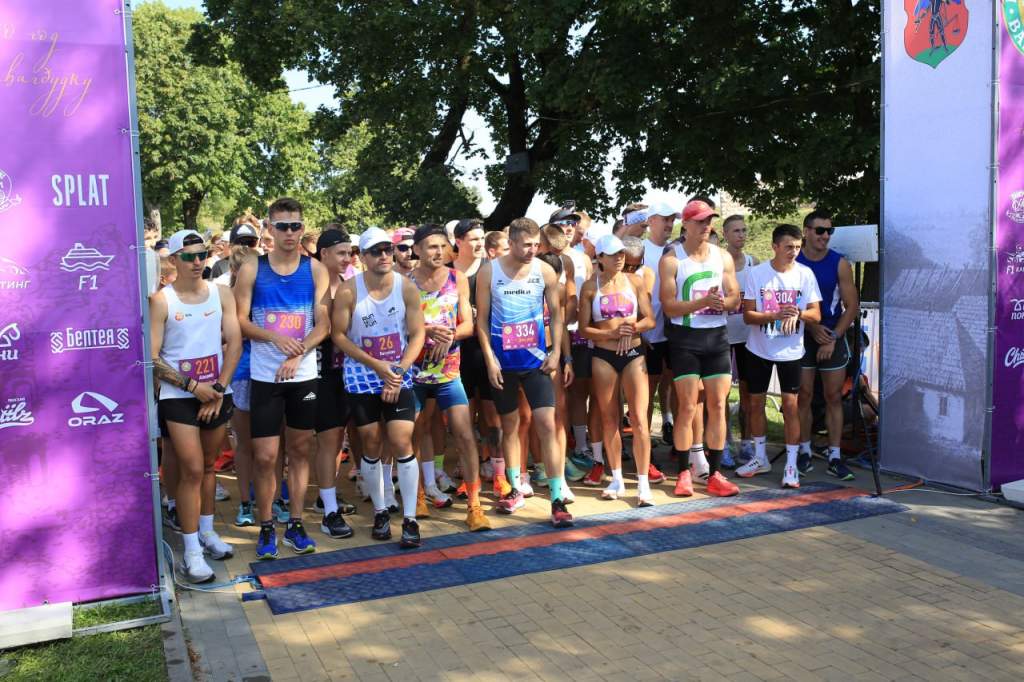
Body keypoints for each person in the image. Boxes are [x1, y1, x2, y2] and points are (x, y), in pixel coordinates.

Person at [233, 197, 331, 559]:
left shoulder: (316, 269)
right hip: (264, 375)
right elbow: (240, 321)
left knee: (302, 449)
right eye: (282, 226)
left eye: (296, 226)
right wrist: (275, 338)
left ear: (302, 228)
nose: (290, 233)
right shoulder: (252, 269)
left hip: (303, 373)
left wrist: (300, 351)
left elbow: (324, 324)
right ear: (269, 230)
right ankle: (266, 526)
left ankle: (295, 523)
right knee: (265, 454)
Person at [150, 230, 242, 582]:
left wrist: (216, 388)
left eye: (201, 254)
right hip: (179, 397)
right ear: (173, 260)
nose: (197, 261)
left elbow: (234, 343)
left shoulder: (222, 294)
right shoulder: (162, 300)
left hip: (217, 392)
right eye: (188, 256)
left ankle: (207, 532)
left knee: (207, 467)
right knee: (189, 470)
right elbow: (153, 358)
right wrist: (192, 386)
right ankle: (190, 550)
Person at [332, 227, 426, 548]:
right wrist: (377, 367)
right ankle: (381, 512)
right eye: (376, 251)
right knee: (370, 442)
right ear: (362, 257)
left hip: (398, 371)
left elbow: (417, 335)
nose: (385, 255)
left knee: (401, 440)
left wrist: (396, 372)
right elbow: (339, 336)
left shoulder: (406, 288)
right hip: (362, 373)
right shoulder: (348, 291)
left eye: (389, 249)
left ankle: (411, 519)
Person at [476, 218, 573, 527]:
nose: (533, 250)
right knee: (510, 425)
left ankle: (557, 497)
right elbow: (481, 321)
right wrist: (490, 360)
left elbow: (557, 315)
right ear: (512, 242)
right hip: (503, 363)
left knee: (546, 423)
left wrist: (557, 352)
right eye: (526, 245)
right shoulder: (489, 272)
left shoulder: (544, 271)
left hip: (537, 362)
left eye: (536, 245)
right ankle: (515, 488)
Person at [409, 224, 491, 531]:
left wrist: (451, 335)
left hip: (448, 371)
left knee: (465, 434)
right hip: (415, 372)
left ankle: (474, 505)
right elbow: (399, 328)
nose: (438, 252)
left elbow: (469, 324)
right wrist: (425, 332)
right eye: (431, 247)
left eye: (443, 246)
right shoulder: (405, 283)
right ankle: (416, 496)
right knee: (414, 435)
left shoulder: (458, 279)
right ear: (416, 249)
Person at [659, 200, 742, 498]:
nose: (706, 227)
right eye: (700, 222)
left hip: (717, 338)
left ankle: (716, 473)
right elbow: (669, 307)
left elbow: (735, 298)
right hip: (685, 339)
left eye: (709, 221)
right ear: (687, 224)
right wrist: (701, 303)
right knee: (688, 406)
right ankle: (684, 472)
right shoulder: (672, 259)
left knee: (718, 405)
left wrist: (724, 303)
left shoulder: (722, 257)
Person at [736, 224, 822, 488]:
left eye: (797, 247)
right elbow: (748, 315)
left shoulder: (805, 274)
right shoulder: (757, 274)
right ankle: (760, 457)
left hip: (791, 352)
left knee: (791, 406)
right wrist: (774, 315)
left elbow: (816, 315)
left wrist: (798, 313)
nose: (793, 252)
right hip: (759, 349)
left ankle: (791, 465)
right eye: (788, 247)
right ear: (775, 247)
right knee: (755, 403)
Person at [579, 235, 656, 505]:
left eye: (621, 253)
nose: (619, 258)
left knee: (639, 419)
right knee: (609, 418)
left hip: (634, 354)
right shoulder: (590, 287)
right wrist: (611, 332)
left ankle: (643, 483)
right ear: (600, 257)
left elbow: (650, 319)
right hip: (603, 355)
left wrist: (632, 328)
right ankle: (617, 478)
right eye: (612, 254)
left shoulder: (635, 281)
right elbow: (583, 328)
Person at [796, 210, 859, 480]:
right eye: (820, 230)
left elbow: (852, 306)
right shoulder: (794, 261)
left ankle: (834, 455)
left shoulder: (839, 263)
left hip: (832, 336)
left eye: (829, 231)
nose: (825, 236)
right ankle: (804, 450)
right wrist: (812, 327)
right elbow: (786, 303)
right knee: (804, 396)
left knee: (834, 396)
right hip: (801, 335)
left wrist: (833, 337)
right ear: (806, 231)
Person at [450, 219, 508, 495]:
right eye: (472, 238)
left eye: (481, 238)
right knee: (463, 418)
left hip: (487, 350)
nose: (478, 243)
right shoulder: (448, 274)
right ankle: (468, 472)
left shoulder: (493, 270)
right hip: (456, 353)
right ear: (458, 241)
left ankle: (498, 472)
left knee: (492, 414)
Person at [312, 229, 358, 538]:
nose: (347, 259)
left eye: (350, 253)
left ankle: (325, 498)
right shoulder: (311, 284)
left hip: (344, 370)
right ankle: (328, 510)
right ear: (324, 253)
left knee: (337, 437)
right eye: (341, 253)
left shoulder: (347, 284)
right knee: (323, 441)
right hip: (314, 371)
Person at [640, 202, 679, 474]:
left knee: (679, 386)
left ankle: (680, 443)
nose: (668, 224)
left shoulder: (677, 250)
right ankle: (646, 447)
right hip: (649, 333)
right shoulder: (639, 251)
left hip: (676, 330)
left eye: (671, 220)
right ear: (651, 220)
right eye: (663, 219)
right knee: (648, 391)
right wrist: (640, 330)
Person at [722, 215, 759, 466]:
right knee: (720, 395)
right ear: (725, 234)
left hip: (748, 337)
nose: (741, 235)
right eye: (736, 231)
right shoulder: (718, 261)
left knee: (749, 393)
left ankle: (747, 443)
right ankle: (723, 442)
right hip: (722, 336)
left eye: (744, 230)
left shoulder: (754, 263)